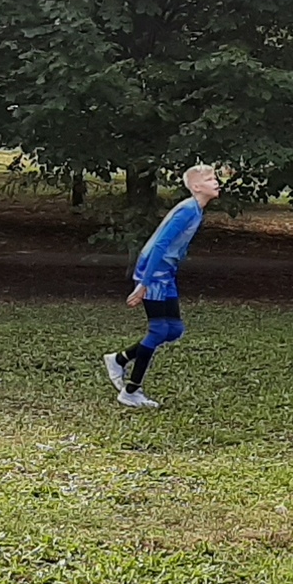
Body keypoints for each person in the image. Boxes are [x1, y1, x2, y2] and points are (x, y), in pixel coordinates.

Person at [107, 164, 221, 410]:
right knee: (159, 330)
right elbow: (160, 244)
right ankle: (131, 391)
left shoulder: (196, 210)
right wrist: (143, 284)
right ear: (196, 186)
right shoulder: (187, 210)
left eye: (215, 178)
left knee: (174, 329)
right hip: (154, 273)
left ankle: (119, 359)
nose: (216, 182)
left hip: (166, 273)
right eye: (210, 179)